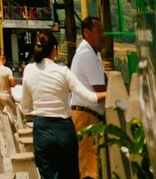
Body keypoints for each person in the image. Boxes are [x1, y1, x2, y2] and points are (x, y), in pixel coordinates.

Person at [20, 29, 102, 179]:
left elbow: (24, 106)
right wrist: (112, 93)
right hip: (64, 130)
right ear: (55, 50)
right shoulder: (63, 71)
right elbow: (90, 98)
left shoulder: (29, 70)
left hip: (42, 129)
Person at [69, 17, 107, 178]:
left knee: (90, 164)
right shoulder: (86, 54)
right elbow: (102, 87)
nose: (103, 35)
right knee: (88, 169)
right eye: (99, 31)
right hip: (86, 117)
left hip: (90, 116)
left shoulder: (94, 54)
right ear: (86, 32)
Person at [0, 51, 17, 122]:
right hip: (6, 94)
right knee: (12, 114)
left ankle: (4, 130)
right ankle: (14, 130)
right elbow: (13, 84)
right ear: (4, 60)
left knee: (2, 116)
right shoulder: (7, 70)